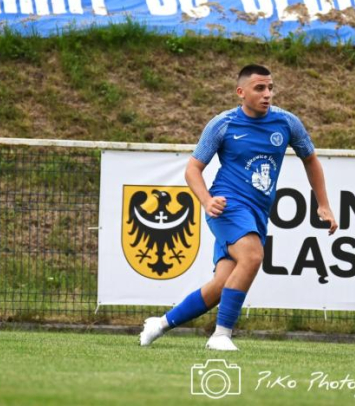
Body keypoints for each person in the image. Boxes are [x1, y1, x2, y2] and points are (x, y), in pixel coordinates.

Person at [140, 64, 338, 351]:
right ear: (241, 92)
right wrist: (207, 200)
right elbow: (193, 170)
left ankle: (159, 324)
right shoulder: (223, 124)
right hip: (227, 205)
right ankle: (221, 335)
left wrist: (324, 205)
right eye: (260, 88)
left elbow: (311, 159)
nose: (267, 94)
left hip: (257, 212)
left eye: (270, 87)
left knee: (222, 284)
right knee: (254, 255)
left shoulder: (287, 123)